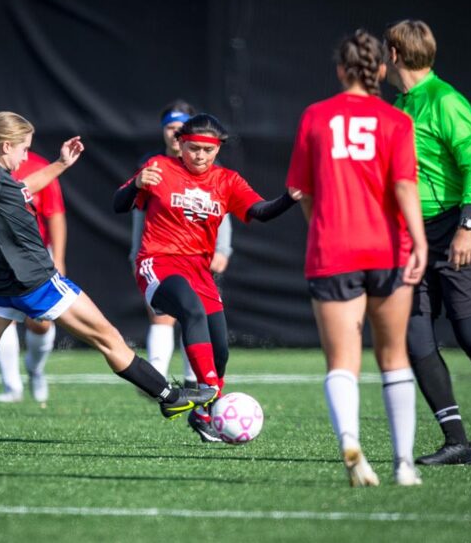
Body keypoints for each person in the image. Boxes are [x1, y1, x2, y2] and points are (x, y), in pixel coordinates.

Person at [0, 111, 216, 450]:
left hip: (2, 283)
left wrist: (60, 163)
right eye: (24, 149)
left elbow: (25, 189)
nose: (27, 156)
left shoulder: (0, 179)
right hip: (36, 280)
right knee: (109, 340)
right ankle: (169, 396)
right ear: (7, 146)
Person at [286, 30, 428, 487]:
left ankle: (351, 441)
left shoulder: (315, 116)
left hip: (333, 250)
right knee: (394, 357)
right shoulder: (395, 121)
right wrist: (420, 241)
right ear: (381, 70)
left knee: (342, 362)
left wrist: (323, 227)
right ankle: (404, 464)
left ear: (340, 70)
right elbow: (406, 186)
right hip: (387, 249)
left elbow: (301, 192)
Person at [384, 20, 471, 465]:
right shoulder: (399, 104)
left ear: (393, 55)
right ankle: (457, 442)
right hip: (412, 234)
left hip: (456, 229)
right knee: (415, 336)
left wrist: (467, 226)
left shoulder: (445, 100)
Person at [114, 113, 297, 443]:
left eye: (207, 151)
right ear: (180, 144)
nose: (200, 156)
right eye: (193, 148)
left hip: (199, 270)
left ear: (217, 150)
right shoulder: (159, 167)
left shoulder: (227, 180)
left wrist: (289, 198)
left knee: (220, 348)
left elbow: (260, 211)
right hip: (158, 261)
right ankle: (208, 388)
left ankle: (202, 414)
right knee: (190, 309)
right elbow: (119, 204)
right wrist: (137, 185)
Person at [129, 100, 234, 388]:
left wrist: (223, 249)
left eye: (180, 128)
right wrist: (136, 253)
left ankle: (194, 382)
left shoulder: (209, 167)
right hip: (159, 256)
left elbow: (221, 209)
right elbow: (140, 214)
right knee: (163, 317)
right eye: (170, 128)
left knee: (196, 315)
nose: (174, 133)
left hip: (197, 257)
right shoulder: (153, 166)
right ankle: (156, 379)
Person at [0, 149, 66, 405]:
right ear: (6, 144)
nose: (24, 152)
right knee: (0, 316)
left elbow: (55, 215)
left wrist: (59, 258)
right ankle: (12, 385)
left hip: (34, 253)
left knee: (40, 321)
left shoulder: (40, 167)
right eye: (22, 143)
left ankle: (35, 369)